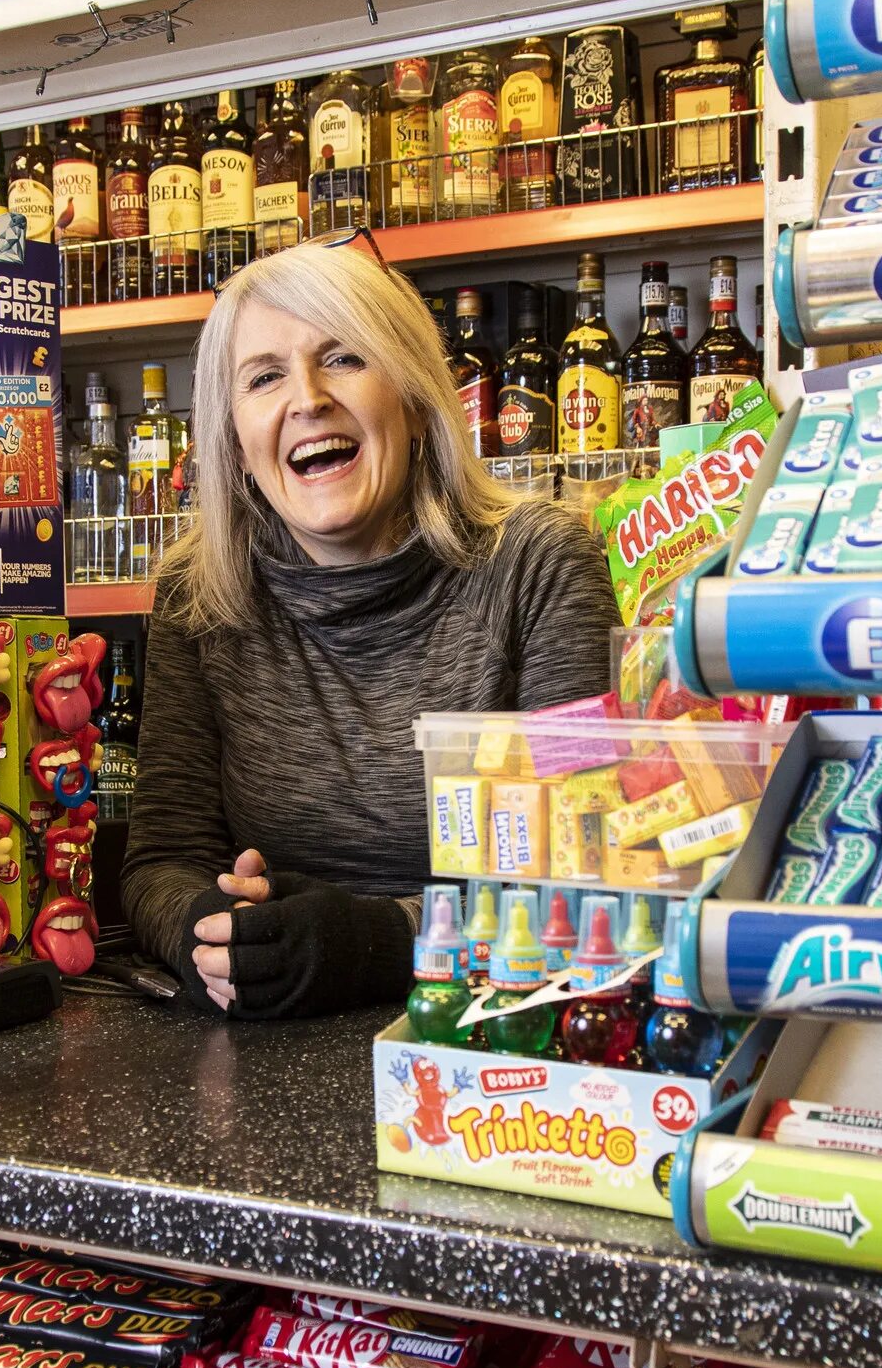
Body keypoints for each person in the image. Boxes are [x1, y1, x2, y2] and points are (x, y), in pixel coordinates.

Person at [123, 241, 617, 1020]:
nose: (308, 398)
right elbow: (162, 862)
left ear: (418, 401)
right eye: (263, 377)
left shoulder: (539, 562)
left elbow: (584, 878)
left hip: (493, 1041)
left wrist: (381, 942)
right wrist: (215, 939)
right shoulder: (201, 594)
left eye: (345, 357)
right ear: (235, 441)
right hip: (269, 1055)